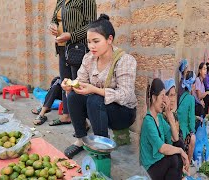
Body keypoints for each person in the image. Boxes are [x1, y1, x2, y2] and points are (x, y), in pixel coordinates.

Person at [61, 14, 137, 159]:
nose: (91, 46)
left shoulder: (125, 60)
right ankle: (80, 140)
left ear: (109, 39)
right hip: (99, 108)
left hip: (123, 113)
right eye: (89, 42)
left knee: (94, 99)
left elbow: (126, 95)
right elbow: (81, 80)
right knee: (73, 97)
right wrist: (70, 85)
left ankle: (102, 150)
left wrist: (95, 90)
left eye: (96, 41)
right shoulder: (89, 58)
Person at [47, 0, 97, 126]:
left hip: (77, 48)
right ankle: (67, 115)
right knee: (65, 82)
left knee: (77, 84)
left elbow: (91, 25)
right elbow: (54, 18)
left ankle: (82, 121)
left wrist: (71, 35)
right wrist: (52, 26)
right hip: (62, 48)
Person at [140, 78, 189, 180]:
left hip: (159, 163)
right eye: (162, 96)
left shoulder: (160, 118)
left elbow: (175, 138)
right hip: (149, 168)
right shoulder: (148, 121)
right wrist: (180, 151)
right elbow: (162, 148)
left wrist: (168, 112)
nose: (164, 101)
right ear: (154, 98)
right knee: (174, 159)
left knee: (179, 144)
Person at [177, 71, 196, 164]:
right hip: (183, 131)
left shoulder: (182, 96)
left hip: (178, 127)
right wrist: (192, 131)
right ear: (192, 85)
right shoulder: (191, 98)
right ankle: (188, 162)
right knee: (193, 139)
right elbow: (191, 118)